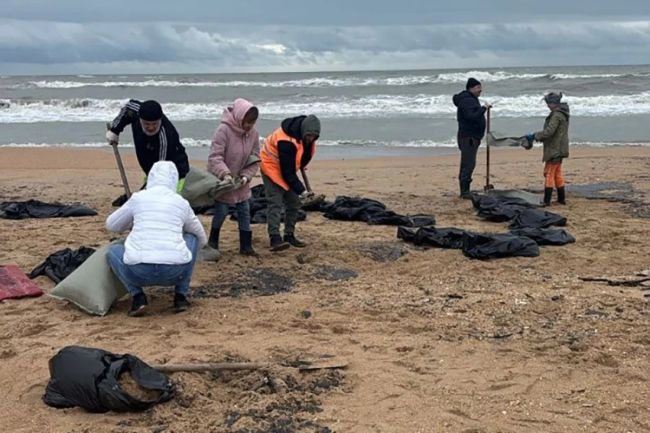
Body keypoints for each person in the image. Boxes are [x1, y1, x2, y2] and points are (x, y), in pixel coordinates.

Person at [105, 161, 207, 317]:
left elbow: (112, 225)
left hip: (138, 272)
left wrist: (133, 222)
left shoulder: (138, 198)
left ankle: (138, 297)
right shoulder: (181, 202)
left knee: (112, 251)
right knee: (192, 238)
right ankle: (180, 296)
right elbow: (200, 235)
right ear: (174, 180)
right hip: (175, 271)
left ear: (150, 178)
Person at [207, 98, 261, 257]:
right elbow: (215, 157)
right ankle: (213, 241)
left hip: (241, 182)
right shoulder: (223, 130)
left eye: (252, 122)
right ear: (239, 117)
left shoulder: (253, 134)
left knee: (245, 210)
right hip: (223, 181)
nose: (249, 126)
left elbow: (255, 158)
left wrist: (246, 177)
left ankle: (246, 246)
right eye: (247, 122)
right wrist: (225, 174)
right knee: (222, 211)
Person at [260, 114, 320, 251]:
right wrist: (302, 191)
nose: (311, 139)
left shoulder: (306, 137)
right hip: (270, 166)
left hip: (287, 168)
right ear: (304, 131)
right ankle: (275, 238)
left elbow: (301, 158)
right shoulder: (285, 141)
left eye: (314, 137)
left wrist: (299, 189)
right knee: (275, 202)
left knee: (294, 202)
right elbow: (287, 173)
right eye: (309, 136)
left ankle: (289, 235)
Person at [106, 99, 190, 192]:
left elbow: (160, 170)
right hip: (148, 162)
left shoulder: (166, 138)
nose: (150, 127)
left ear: (160, 120)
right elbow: (128, 107)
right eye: (146, 124)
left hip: (174, 172)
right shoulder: (135, 111)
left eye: (154, 124)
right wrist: (115, 130)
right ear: (140, 119)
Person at [525, 92, 570, 206]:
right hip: (560, 149)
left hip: (555, 149)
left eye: (548, 103)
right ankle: (561, 198)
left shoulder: (556, 115)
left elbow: (549, 132)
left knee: (549, 173)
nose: (547, 106)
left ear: (554, 103)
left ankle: (547, 200)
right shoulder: (563, 114)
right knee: (557, 173)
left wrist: (534, 136)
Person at [452, 78, 491, 198]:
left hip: (471, 136)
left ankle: (465, 190)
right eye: (478, 87)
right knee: (468, 164)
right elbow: (471, 116)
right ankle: (464, 191)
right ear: (471, 88)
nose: (480, 90)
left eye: (480, 87)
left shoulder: (470, 99)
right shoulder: (467, 101)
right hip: (468, 137)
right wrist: (484, 108)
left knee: (468, 163)